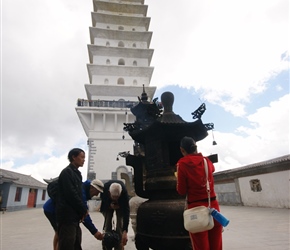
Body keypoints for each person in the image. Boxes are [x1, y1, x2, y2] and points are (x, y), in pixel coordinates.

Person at [176, 136, 223, 250]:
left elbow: (181, 191)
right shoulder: (206, 161)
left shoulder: (182, 164)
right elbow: (212, 170)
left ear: (182, 150)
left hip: (196, 209)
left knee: (201, 246)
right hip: (214, 207)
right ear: (195, 147)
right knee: (216, 245)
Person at [43, 179, 105, 250]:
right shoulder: (81, 192)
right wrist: (95, 232)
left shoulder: (82, 188)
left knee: (63, 232)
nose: (97, 195)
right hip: (52, 210)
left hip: (54, 209)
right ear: (92, 187)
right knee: (63, 234)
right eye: (97, 192)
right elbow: (85, 215)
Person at [56, 148, 87, 250]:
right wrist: (83, 209)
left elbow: (79, 195)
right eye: (82, 157)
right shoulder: (67, 173)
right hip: (67, 216)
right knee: (67, 244)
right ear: (74, 157)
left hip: (75, 217)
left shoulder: (77, 173)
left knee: (76, 243)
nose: (84, 160)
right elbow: (71, 194)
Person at [100, 180, 130, 250]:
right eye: (113, 197)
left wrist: (125, 230)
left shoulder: (124, 194)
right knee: (107, 222)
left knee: (120, 223)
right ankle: (107, 243)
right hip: (107, 203)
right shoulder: (104, 190)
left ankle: (119, 244)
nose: (115, 199)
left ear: (120, 194)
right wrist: (109, 205)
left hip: (120, 205)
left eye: (117, 198)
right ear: (109, 193)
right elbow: (103, 200)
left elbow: (126, 212)